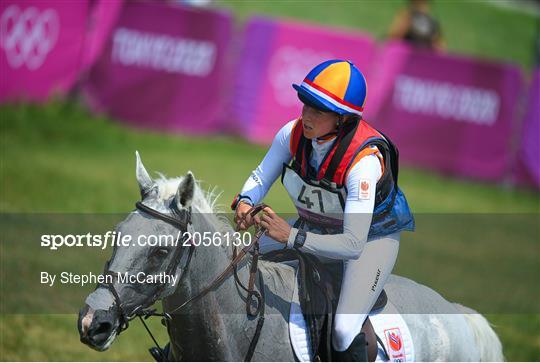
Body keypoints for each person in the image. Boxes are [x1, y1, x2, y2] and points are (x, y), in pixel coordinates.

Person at [231, 59, 414, 360]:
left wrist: (290, 236)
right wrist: (246, 201)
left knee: (343, 330)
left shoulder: (363, 162)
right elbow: (260, 177)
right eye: (305, 104)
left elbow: (352, 244)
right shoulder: (292, 133)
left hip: (369, 241)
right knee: (232, 260)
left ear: (342, 119)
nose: (306, 115)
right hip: (314, 225)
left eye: (317, 110)